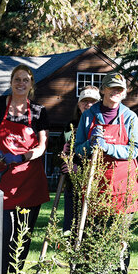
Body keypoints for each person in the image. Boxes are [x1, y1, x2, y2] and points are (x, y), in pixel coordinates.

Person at [0, 64, 50, 274]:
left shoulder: (38, 111)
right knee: (1, 232)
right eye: (17, 79)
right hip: (0, 179)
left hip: (28, 181)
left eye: (25, 80)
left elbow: (42, 145)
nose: (21, 83)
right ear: (11, 82)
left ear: (31, 84)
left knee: (22, 234)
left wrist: (22, 156)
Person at [74, 71, 138, 274]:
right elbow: (78, 148)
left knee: (121, 235)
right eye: (112, 88)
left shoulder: (130, 117)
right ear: (103, 89)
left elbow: (134, 149)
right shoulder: (88, 116)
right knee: (95, 234)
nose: (116, 92)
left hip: (125, 184)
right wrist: (90, 144)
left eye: (120, 89)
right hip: (96, 185)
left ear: (124, 94)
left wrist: (107, 147)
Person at [61, 86, 100, 232]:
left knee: (92, 228)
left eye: (92, 101)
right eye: (84, 101)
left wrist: (82, 169)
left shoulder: (101, 126)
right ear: (78, 104)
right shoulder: (70, 128)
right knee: (71, 227)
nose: (88, 104)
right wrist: (63, 157)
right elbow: (55, 157)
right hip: (72, 184)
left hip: (95, 183)